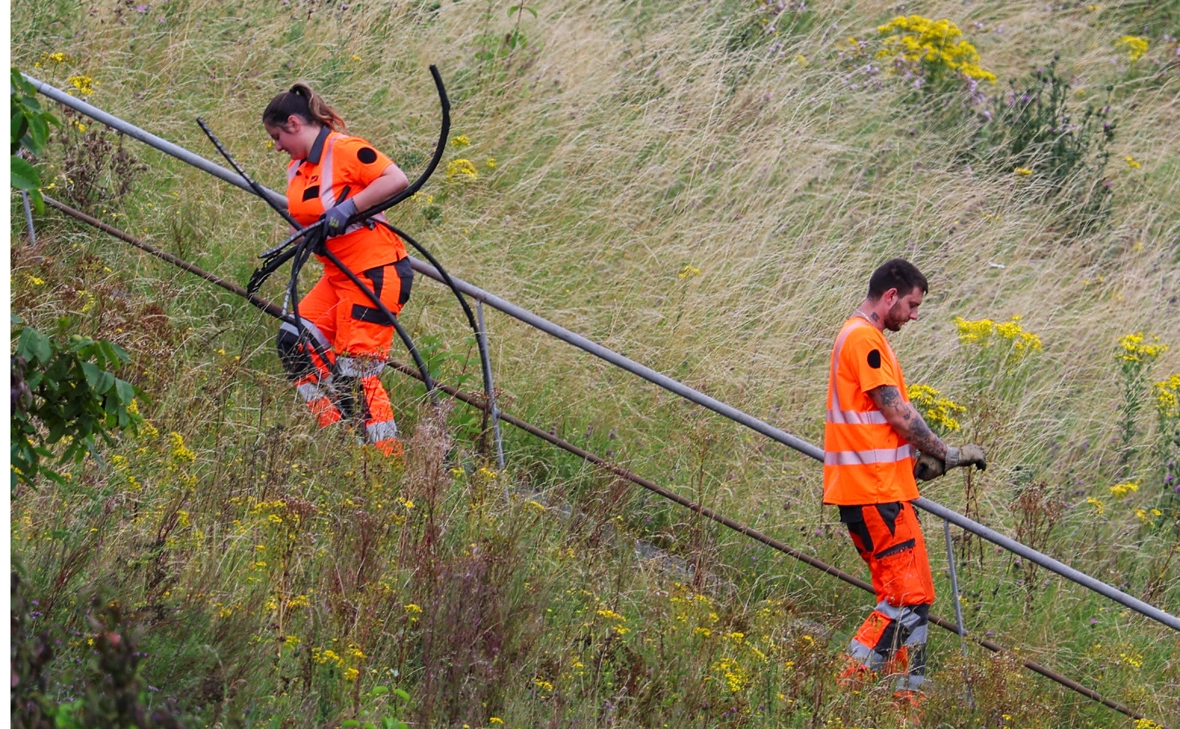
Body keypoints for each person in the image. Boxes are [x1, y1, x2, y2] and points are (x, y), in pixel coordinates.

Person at [823, 258, 986, 704]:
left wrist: (919, 465)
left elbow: (873, 432)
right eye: (912, 305)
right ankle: (840, 692)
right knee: (903, 597)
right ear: (891, 295)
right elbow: (896, 411)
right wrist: (944, 452)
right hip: (874, 495)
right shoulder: (863, 339)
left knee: (915, 597)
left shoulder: (865, 339)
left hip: (882, 490)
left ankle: (907, 702)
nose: (915, 315)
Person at [262, 83, 413, 457]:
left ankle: (385, 462)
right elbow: (309, 214)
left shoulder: (344, 149)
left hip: (375, 274)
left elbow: (397, 180)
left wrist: (347, 210)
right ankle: (340, 438)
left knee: (356, 375)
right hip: (337, 276)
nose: (277, 146)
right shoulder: (297, 168)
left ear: (294, 124)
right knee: (293, 344)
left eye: (277, 136)